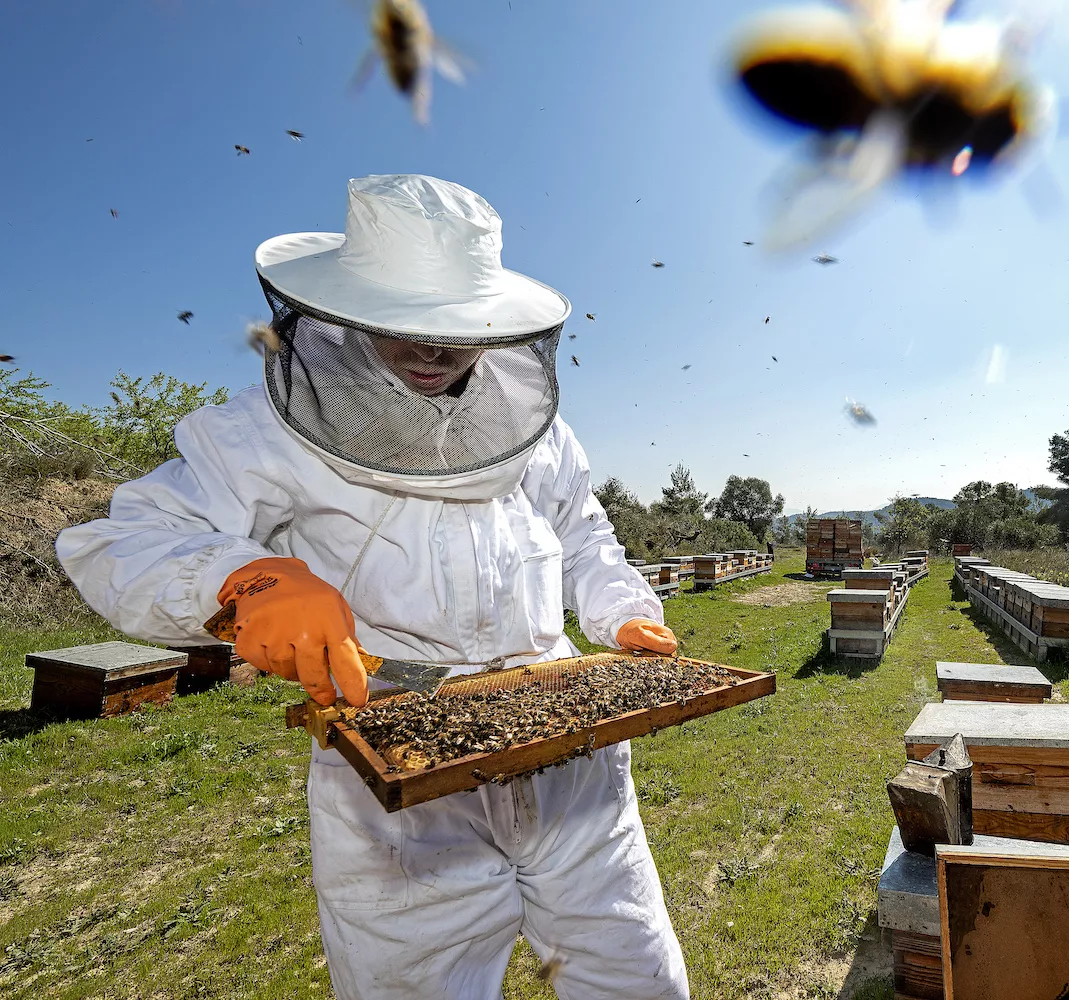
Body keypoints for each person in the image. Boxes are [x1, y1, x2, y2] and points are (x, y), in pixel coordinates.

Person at [57, 174, 690, 1000]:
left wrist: (625, 613)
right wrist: (241, 578)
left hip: (571, 756)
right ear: (348, 313)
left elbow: (581, 533)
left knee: (637, 980)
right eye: (407, 327)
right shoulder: (267, 426)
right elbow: (121, 540)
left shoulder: (534, 425)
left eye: (454, 331)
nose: (433, 351)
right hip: (399, 766)